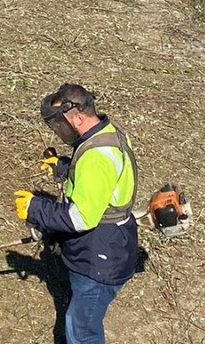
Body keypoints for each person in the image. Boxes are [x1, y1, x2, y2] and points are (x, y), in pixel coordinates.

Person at [14, 83, 139, 344]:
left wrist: (35, 208)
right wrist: (64, 168)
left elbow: (80, 217)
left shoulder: (95, 158)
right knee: (81, 318)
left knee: (82, 330)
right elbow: (103, 184)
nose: (60, 132)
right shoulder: (110, 134)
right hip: (115, 243)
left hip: (99, 260)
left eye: (61, 125)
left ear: (79, 118)